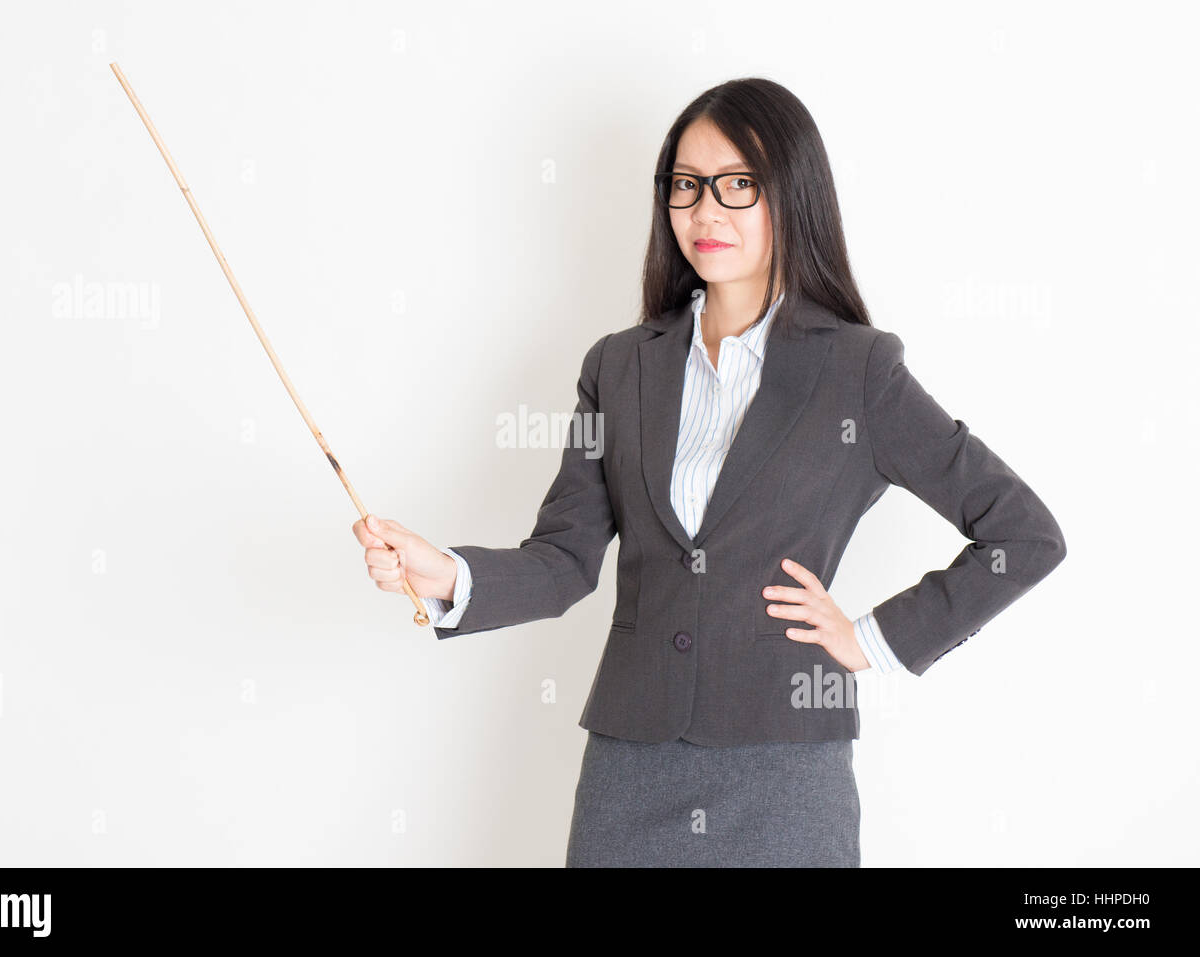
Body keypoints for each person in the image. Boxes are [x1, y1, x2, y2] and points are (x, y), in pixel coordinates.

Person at [351, 77, 1067, 867]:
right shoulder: (619, 367)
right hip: (629, 773)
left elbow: (1024, 533)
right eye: (687, 186)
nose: (706, 211)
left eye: (738, 185)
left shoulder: (858, 371)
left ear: (791, 195)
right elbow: (561, 561)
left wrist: (875, 639)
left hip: (786, 775)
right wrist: (445, 573)